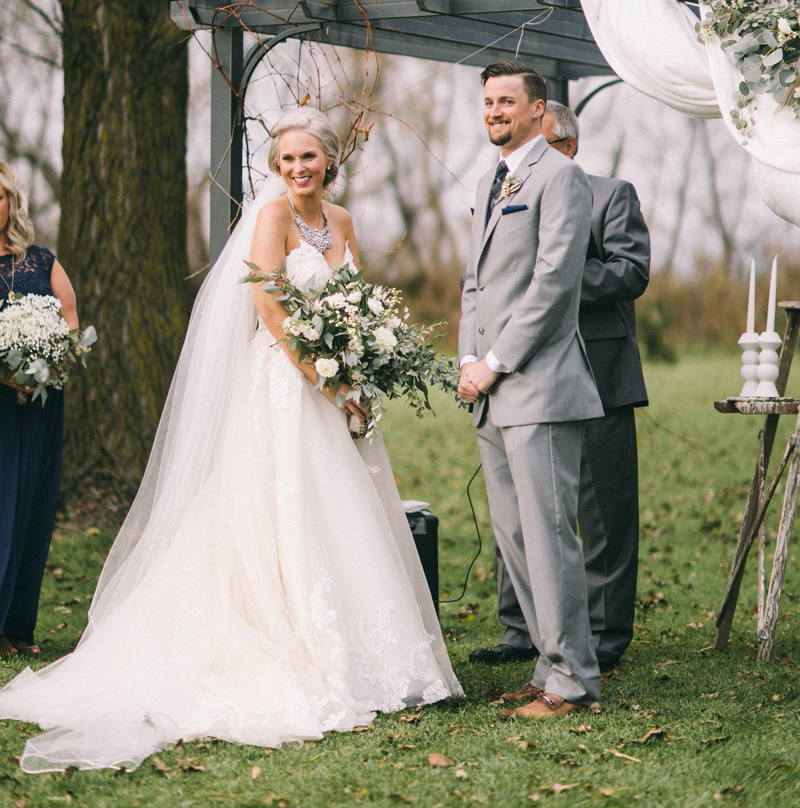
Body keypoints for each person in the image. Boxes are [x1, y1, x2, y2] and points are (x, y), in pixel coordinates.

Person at [0, 108, 461, 772]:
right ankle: (287, 636)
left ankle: (367, 654)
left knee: (342, 510)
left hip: (337, 389)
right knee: (284, 507)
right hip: (285, 383)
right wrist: (321, 375)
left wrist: (358, 371)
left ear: (329, 162)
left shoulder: (345, 223)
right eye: (286, 160)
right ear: (277, 168)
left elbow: (354, 303)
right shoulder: (272, 219)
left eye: (308, 158)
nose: (297, 169)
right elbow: (270, 307)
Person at [471, 102, 649, 674]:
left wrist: (557, 277)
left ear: (566, 147)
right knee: (525, 512)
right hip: (518, 371)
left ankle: (604, 635)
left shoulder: (609, 193)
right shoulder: (503, 191)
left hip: (596, 367)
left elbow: (631, 271)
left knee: (600, 515)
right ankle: (523, 629)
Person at [458, 62, 603, 719]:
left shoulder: (561, 178)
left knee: (548, 538)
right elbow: (475, 284)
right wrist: (466, 358)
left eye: (507, 101)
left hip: (539, 387)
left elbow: (553, 285)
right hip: (489, 391)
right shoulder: (494, 179)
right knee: (517, 543)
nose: (495, 111)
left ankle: (573, 681)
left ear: (538, 111)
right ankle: (548, 666)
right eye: (489, 101)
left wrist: (494, 360)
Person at [0, 163, 78, 660]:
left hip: (38, 406)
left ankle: (15, 627)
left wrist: (45, 367)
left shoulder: (41, 261)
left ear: (11, 203)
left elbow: (71, 324)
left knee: (29, 509)